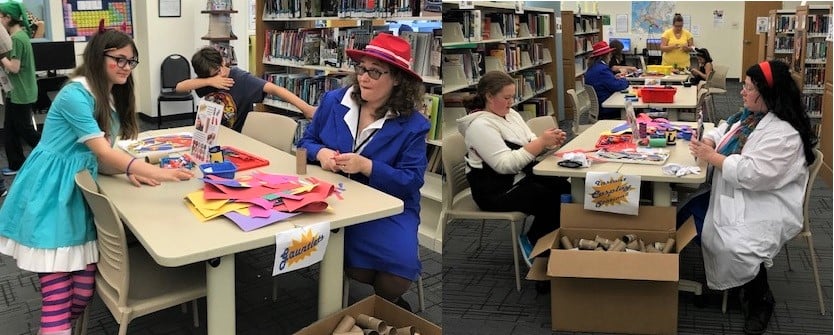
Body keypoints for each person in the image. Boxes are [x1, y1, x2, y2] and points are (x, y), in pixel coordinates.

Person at [0, 28, 193, 335]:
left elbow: (100, 158)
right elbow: (103, 151)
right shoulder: (76, 94)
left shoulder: (106, 95)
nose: (126, 68)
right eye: (119, 59)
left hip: (75, 195)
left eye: (131, 62)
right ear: (97, 56)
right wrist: (154, 171)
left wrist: (130, 170)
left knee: (82, 291)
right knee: (58, 297)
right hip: (50, 195)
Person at [297, 33, 428, 311]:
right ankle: (371, 306)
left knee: (396, 275)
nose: (364, 77)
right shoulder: (334, 101)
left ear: (397, 79)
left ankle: (386, 303)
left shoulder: (414, 125)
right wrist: (320, 154)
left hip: (389, 206)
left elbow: (411, 181)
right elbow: (305, 142)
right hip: (336, 201)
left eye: (375, 72)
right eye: (361, 69)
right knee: (357, 271)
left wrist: (367, 167)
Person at [684, 60, 816, 335]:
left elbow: (753, 174)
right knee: (687, 216)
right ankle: (734, 282)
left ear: (767, 93)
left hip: (765, 203)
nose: (742, 92)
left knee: (734, 242)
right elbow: (724, 129)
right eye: (742, 86)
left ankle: (760, 300)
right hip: (738, 192)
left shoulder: (784, 134)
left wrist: (712, 157)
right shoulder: (752, 117)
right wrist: (709, 141)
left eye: (748, 88)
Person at [457, 71, 570, 274]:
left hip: (518, 179)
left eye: (513, 97)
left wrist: (548, 142)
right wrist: (540, 143)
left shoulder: (512, 114)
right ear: (489, 97)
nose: (511, 102)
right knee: (551, 200)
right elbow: (504, 165)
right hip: (494, 191)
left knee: (565, 188)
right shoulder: (480, 126)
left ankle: (551, 242)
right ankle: (537, 244)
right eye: (506, 98)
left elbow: (529, 143)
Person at [176, 46, 316, 131]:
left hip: (235, 138)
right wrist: (210, 81)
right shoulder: (206, 80)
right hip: (209, 134)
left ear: (223, 61)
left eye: (219, 70)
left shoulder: (241, 78)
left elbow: (274, 89)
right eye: (213, 75)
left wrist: (305, 108)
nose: (219, 75)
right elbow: (180, 87)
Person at [0, 2, 40, 176]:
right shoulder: (22, 36)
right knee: (10, 129)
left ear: (9, 18)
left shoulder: (17, 39)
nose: (0, 20)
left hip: (21, 93)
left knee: (26, 130)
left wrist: (1, 57)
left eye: (1, 16)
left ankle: (51, 154)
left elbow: (14, 68)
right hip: (16, 91)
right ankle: (16, 164)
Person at [584, 41, 629, 120]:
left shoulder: (593, 67)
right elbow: (617, 86)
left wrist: (613, 77)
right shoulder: (602, 70)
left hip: (599, 106)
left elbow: (605, 82)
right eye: (609, 54)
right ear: (606, 55)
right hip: (607, 109)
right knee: (635, 110)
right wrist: (624, 79)